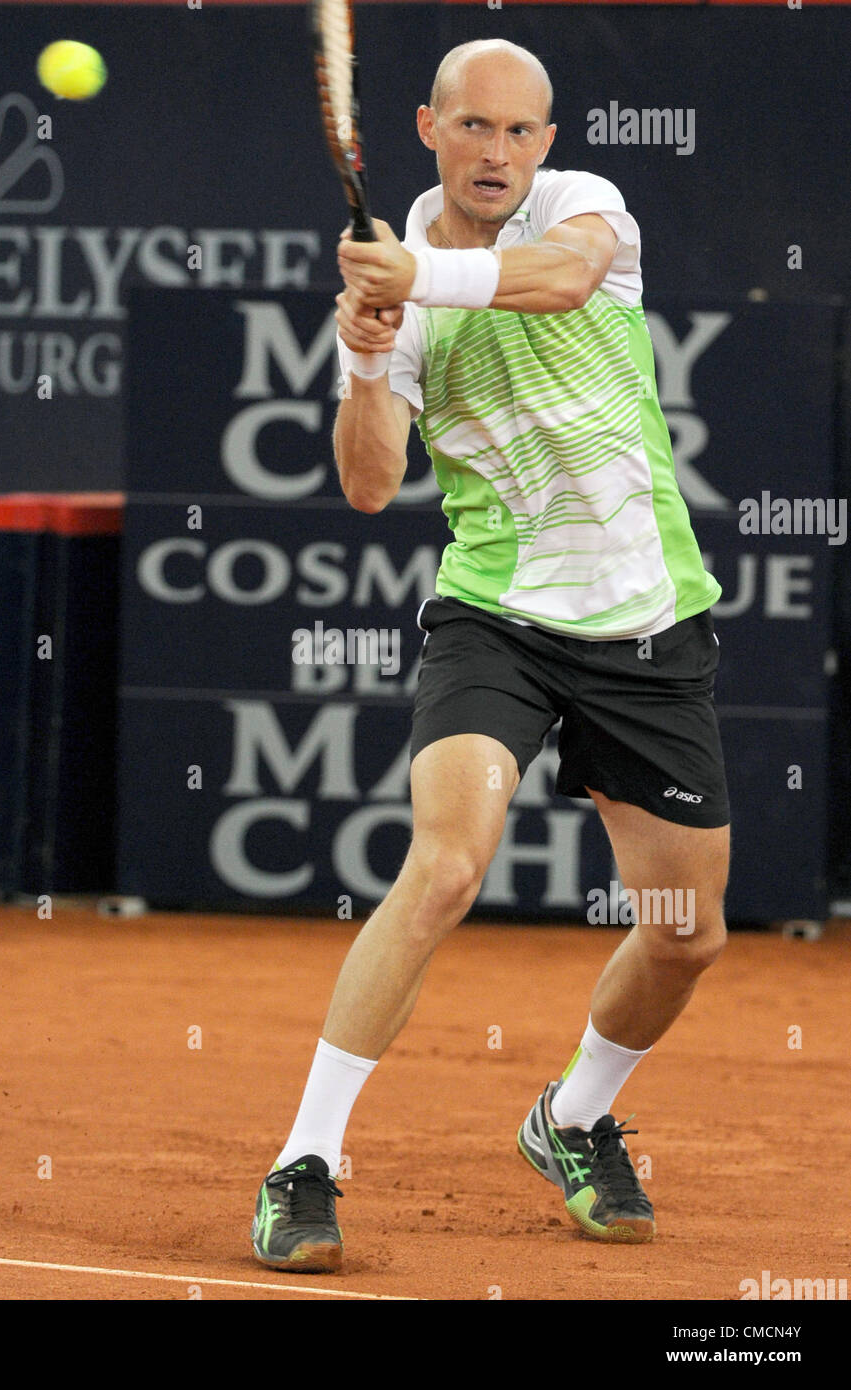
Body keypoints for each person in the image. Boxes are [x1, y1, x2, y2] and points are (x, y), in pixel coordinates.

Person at [251, 38, 729, 1273]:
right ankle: (303, 1161)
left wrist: (414, 279)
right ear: (425, 128)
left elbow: (565, 283)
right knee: (447, 865)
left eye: (520, 133)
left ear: (547, 145)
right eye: (474, 128)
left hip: (644, 622)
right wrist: (365, 347)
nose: (497, 153)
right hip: (496, 615)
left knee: (684, 931)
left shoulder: (583, 212)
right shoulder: (400, 283)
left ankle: (569, 1116)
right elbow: (367, 486)